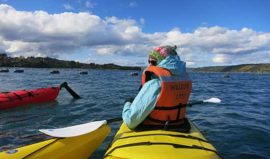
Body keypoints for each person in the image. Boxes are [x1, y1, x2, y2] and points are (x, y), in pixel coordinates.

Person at [122, 45, 192, 130]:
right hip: (180, 124)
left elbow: (130, 122)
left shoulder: (154, 84)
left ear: (162, 62)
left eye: (153, 62)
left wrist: (128, 103)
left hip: (155, 126)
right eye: (149, 61)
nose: (149, 65)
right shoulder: (185, 80)